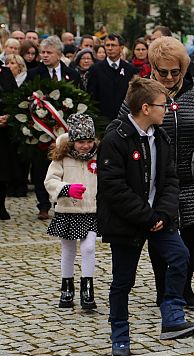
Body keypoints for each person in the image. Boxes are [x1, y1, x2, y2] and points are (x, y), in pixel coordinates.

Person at [118, 37, 194, 309]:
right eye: (162, 71)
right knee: (160, 232)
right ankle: (162, 287)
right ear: (153, 68)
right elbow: (121, 127)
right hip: (155, 178)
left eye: (174, 72)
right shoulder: (140, 92)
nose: (168, 77)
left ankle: (183, 285)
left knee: (191, 233)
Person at [98, 77, 194, 356]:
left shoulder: (161, 137)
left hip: (158, 218)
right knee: (123, 281)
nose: (168, 108)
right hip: (127, 222)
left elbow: (170, 180)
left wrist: (163, 215)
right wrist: (146, 216)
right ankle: (120, 334)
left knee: (180, 255)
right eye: (163, 104)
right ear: (145, 108)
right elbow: (113, 188)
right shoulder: (115, 139)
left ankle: (171, 314)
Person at [44, 114, 99, 309]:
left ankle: (87, 287)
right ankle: (67, 286)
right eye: (81, 142)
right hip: (68, 210)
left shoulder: (98, 156)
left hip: (91, 210)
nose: (85, 146)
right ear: (73, 141)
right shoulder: (61, 158)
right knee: (68, 250)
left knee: (89, 247)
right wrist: (66, 189)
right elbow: (50, 181)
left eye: (89, 141)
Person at [26, 36, 81, 220]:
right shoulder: (34, 74)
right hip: (42, 131)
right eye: (42, 52)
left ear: (59, 54)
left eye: (49, 52)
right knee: (42, 168)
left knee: (65, 167)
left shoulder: (71, 74)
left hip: (64, 131)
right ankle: (43, 204)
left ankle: (61, 202)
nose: (44, 56)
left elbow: (79, 98)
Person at [87, 33, 137, 122]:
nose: (110, 48)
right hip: (102, 121)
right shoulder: (95, 70)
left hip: (125, 120)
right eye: (107, 45)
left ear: (121, 48)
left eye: (113, 45)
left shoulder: (130, 70)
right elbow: (91, 97)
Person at [0, 64, 17, 220]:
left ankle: (1, 205)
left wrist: (9, 116)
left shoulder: (5, 72)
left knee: (3, 169)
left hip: (3, 131)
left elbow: (15, 97)